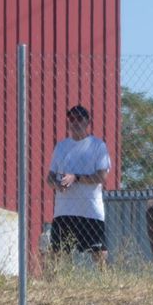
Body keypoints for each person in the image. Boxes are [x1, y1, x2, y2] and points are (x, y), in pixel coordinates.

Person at [47, 104, 112, 268]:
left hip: (89, 210)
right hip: (64, 210)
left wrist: (75, 177)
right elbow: (49, 177)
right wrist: (56, 184)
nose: (75, 122)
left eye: (79, 119)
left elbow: (101, 177)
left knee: (98, 253)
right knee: (58, 252)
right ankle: (57, 284)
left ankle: (105, 282)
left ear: (87, 122)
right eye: (71, 119)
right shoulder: (61, 146)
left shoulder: (98, 146)